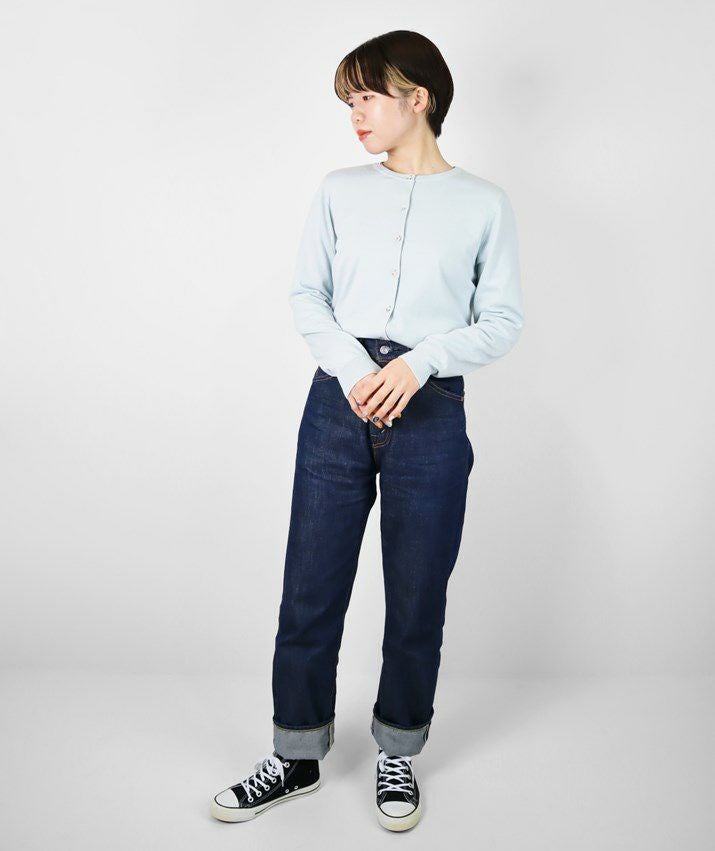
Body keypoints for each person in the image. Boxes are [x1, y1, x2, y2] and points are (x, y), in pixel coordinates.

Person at [210, 29, 524, 832]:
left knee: (417, 596)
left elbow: (501, 319)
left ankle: (398, 749)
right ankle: (295, 753)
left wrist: (420, 363)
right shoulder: (338, 190)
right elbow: (306, 295)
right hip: (336, 404)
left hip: (430, 410)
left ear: (418, 98)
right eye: (348, 100)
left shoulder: (483, 203)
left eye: (367, 96)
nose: (354, 113)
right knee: (310, 588)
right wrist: (356, 370)